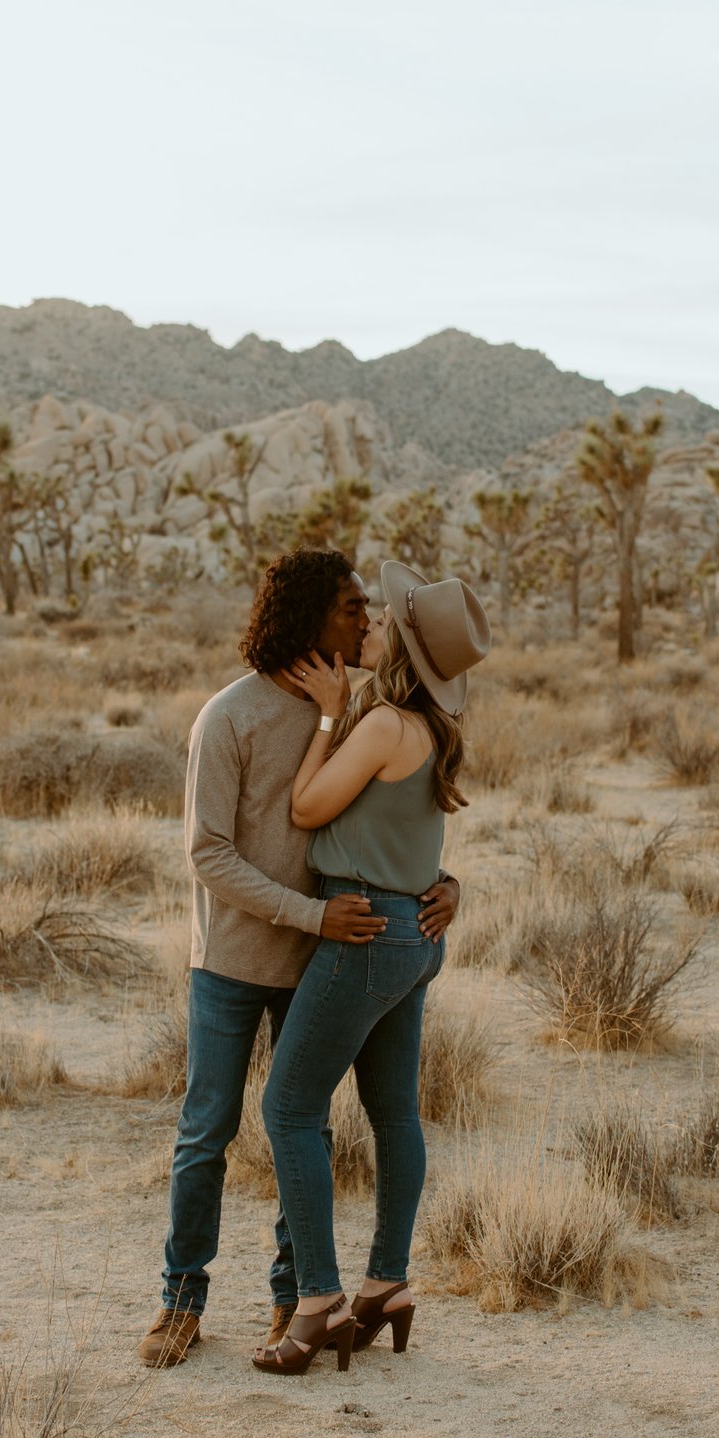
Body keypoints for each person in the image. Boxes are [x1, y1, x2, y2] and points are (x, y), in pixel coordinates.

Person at [141, 548, 462, 1369]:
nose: (368, 622)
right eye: (353, 609)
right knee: (206, 1131)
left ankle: (295, 1298)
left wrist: (442, 882)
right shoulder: (229, 717)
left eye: (369, 609)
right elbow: (207, 853)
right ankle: (182, 1300)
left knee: (301, 1125)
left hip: (328, 953)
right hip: (238, 955)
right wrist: (311, 914)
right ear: (309, 619)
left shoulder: (357, 712)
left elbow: (390, 821)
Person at [251, 559, 490, 1375]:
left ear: (405, 647)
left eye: (384, 619)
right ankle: (387, 1286)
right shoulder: (431, 728)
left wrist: (327, 721)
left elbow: (305, 809)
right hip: (414, 936)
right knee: (394, 1115)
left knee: (287, 1107)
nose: (372, 624)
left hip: (364, 931)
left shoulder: (383, 724)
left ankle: (315, 1304)